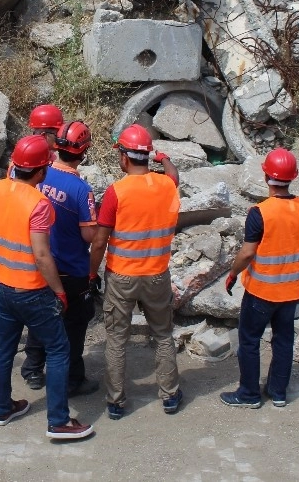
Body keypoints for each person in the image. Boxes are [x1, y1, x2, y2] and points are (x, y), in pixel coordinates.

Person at [0, 135, 93, 441]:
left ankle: (3, 408)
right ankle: (59, 422)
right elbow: (41, 255)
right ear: (41, 171)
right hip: (32, 291)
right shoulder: (38, 203)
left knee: (5, 349)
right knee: (60, 348)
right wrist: (59, 291)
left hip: (2, 285)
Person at [89, 124, 181, 420]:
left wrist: (92, 274)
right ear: (146, 156)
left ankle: (116, 402)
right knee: (163, 335)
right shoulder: (166, 185)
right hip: (157, 275)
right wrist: (163, 158)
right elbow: (174, 176)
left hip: (122, 277)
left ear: (124, 158)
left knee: (117, 340)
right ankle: (169, 396)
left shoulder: (117, 192)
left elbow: (100, 240)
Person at [220, 147, 299, 409]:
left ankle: (249, 394)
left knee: (250, 340)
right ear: (293, 178)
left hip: (261, 292)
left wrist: (233, 273)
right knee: (283, 340)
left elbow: (247, 252)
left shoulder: (260, 212)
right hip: (291, 292)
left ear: (266, 177)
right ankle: (278, 392)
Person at [20, 121, 100, 397]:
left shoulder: (40, 176)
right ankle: (72, 379)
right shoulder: (81, 189)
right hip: (70, 269)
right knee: (75, 325)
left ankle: (32, 368)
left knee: (41, 317)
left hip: (39, 265)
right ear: (83, 152)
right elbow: (89, 237)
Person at [0, 103, 66, 345]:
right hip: (30, 227)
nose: (60, 135)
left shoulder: (24, 154)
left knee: (8, 287)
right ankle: (3, 332)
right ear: (45, 132)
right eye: (56, 130)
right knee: (24, 289)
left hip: (18, 225)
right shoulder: (39, 160)